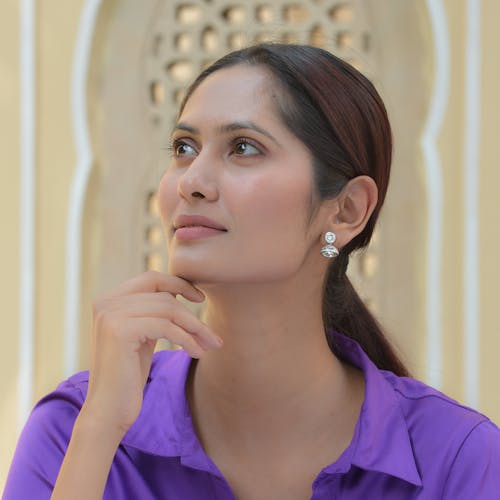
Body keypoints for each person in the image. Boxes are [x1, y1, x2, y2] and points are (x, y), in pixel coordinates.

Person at [4, 43, 500, 500]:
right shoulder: (74, 428)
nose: (192, 182)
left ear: (347, 210)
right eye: (183, 148)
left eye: (243, 147)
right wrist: (99, 432)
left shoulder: (457, 460)